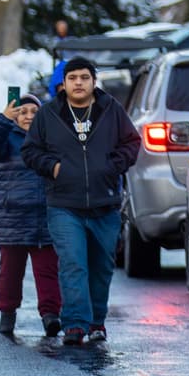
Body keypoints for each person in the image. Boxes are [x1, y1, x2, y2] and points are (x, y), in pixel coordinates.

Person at [21, 56, 141, 346]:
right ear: (64, 83)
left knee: (101, 267)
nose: (78, 83)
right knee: (74, 263)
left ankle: (96, 322)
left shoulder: (110, 109)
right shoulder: (49, 114)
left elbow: (132, 142)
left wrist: (112, 166)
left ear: (93, 81)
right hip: (64, 204)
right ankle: (75, 324)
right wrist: (53, 167)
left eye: (84, 78)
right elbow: (31, 151)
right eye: (73, 78)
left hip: (105, 203)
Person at [0, 93, 62, 337]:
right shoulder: (5, 139)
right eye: (23, 112)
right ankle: (7, 314)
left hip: (45, 218)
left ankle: (50, 315)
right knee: (10, 273)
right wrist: (3, 119)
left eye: (34, 112)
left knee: (47, 271)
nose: (28, 116)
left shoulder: (50, 139)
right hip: (13, 218)